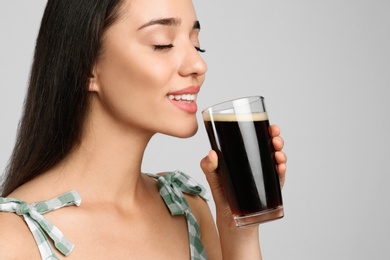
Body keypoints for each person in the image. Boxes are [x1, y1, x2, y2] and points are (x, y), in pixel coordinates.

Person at [0, 0, 287, 259]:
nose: (199, 64)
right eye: (162, 44)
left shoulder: (187, 210)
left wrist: (239, 228)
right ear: (86, 67)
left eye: (196, 43)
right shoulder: (13, 239)